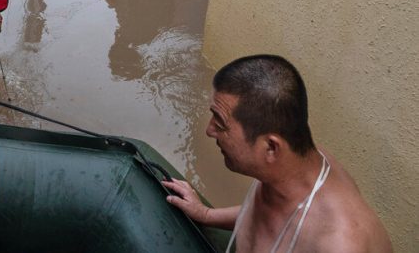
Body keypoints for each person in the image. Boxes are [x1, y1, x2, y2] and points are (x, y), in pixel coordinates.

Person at [162, 55, 392, 252]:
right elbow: (271, 215)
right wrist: (206, 215)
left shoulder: (340, 242)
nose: (210, 130)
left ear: (271, 148)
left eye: (220, 124)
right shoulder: (293, 164)